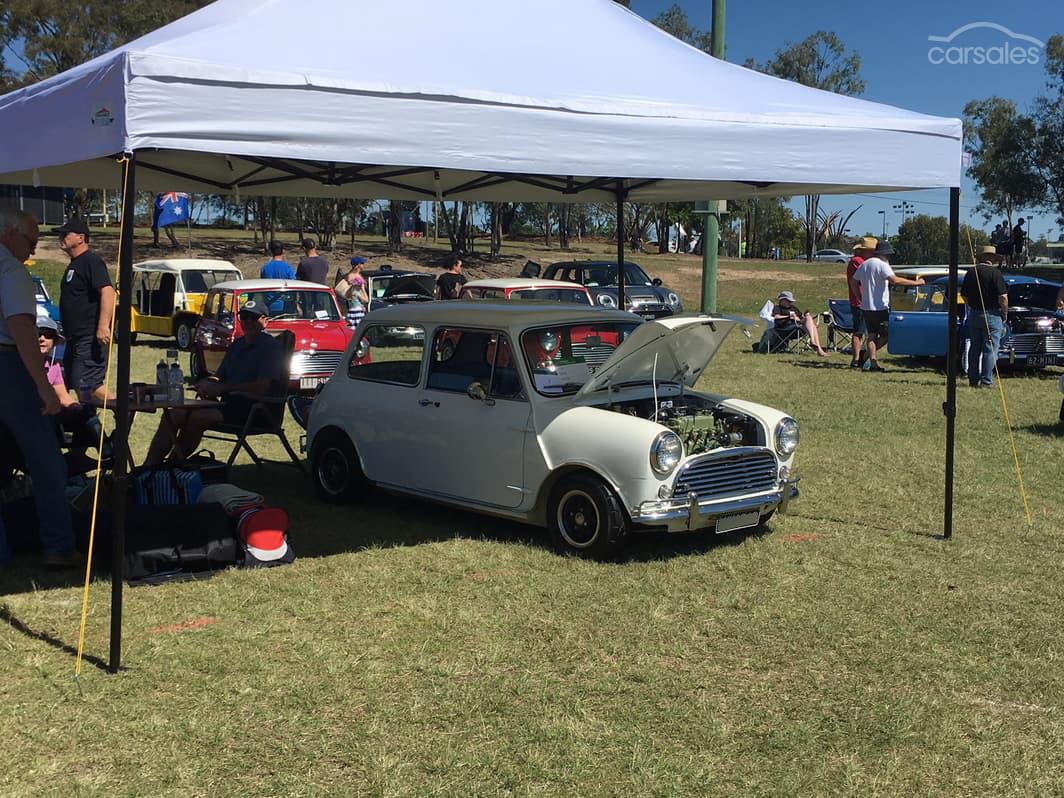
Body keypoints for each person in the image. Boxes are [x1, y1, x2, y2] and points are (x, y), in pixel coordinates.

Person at [0, 209, 76, 567]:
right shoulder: (11, 270)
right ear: (10, 233)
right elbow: (22, 332)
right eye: (30, 241)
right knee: (46, 461)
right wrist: (44, 387)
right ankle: (58, 547)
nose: (31, 251)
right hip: (9, 365)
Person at [143, 300, 284, 466]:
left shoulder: (271, 348)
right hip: (228, 404)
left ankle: (174, 465)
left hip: (255, 410)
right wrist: (207, 383)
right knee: (174, 413)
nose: (247, 322)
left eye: (253, 318)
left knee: (197, 417)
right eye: (243, 317)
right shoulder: (236, 345)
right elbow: (219, 376)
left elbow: (262, 387)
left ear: (265, 321)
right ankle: (150, 466)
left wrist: (224, 388)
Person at [56, 216, 116, 403]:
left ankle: (122, 409)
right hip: (74, 337)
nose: (61, 237)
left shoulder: (91, 261)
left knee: (88, 382)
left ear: (81, 238)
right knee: (73, 382)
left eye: (66, 234)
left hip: (90, 336)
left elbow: (108, 292)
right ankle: (86, 427)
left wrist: (103, 326)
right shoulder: (74, 265)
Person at [850, 240, 924, 372]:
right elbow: (894, 280)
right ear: (885, 254)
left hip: (866, 307)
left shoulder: (865, 264)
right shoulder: (882, 265)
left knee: (872, 335)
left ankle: (871, 362)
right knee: (887, 335)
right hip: (880, 307)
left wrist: (859, 297)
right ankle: (868, 358)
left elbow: (853, 281)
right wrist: (916, 283)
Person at [961, 245, 1009, 388]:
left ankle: (973, 379)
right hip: (992, 314)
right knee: (990, 349)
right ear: (991, 258)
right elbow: (1003, 297)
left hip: (975, 314)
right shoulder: (995, 273)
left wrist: (972, 306)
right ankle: (986, 381)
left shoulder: (970, 272)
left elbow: (964, 294)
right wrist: (1004, 313)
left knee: (974, 348)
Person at [846, 236, 877, 368]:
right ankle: (856, 359)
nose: (873, 254)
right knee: (859, 332)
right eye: (871, 251)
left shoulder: (862, 261)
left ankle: (863, 358)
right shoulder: (857, 261)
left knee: (870, 332)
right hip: (859, 302)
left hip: (868, 302)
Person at [771, 291, 827, 356]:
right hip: (784, 329)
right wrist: (789, 317)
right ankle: (818, 348)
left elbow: (801, 319)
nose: (790, 303)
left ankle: (816, 345)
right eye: (788, 301)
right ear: (782, 300)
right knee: (813, 327)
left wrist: (804, 317)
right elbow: (776, 316)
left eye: (791, 301)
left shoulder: (793, 308)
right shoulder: (777, 308)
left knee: (809, 319)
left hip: (797, 328)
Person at [335, 258, 369, 328]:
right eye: (362, 263)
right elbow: (354, 292)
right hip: (356, 304)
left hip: (359, 303)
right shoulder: (353, 276)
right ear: (358, 265)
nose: (363, 265)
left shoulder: (357, 275)